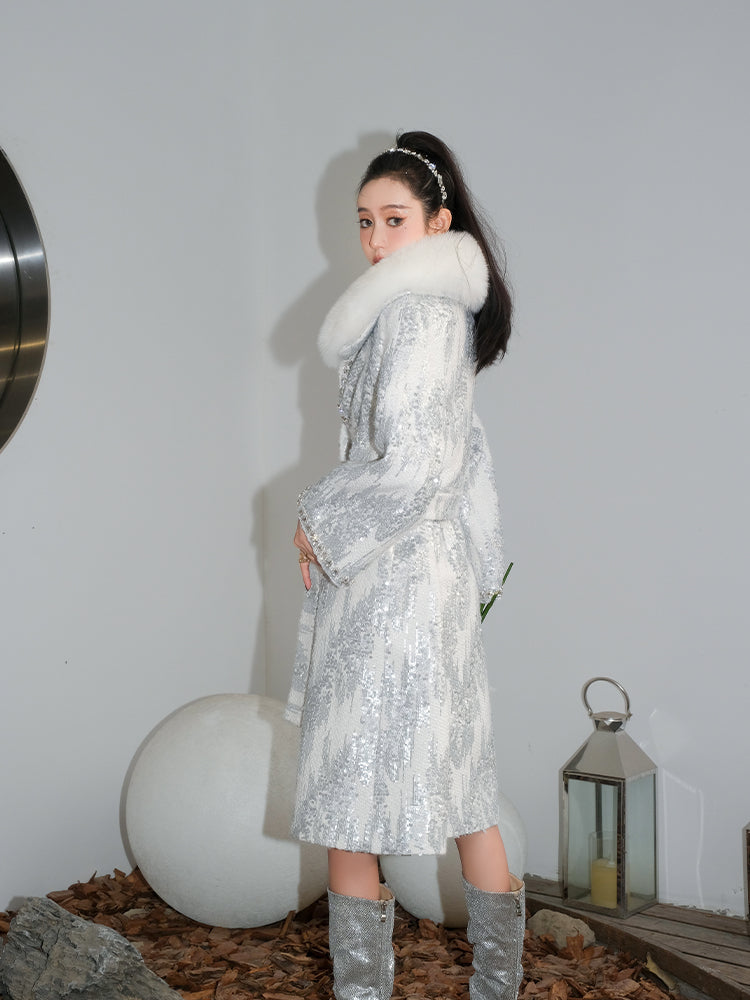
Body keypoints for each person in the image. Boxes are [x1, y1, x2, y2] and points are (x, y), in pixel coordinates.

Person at [286, 131, 524, 1000]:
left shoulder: (417, 314)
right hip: (418, 574)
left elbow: (422, 465)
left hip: (397, 581)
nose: (377, 239)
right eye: (364, 222)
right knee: (462, 788)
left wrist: (319, 520)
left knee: (352, 798)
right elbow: (461, 458)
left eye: (395, 219)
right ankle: (496, 988)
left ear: (438, 222)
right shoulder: (425, 313)